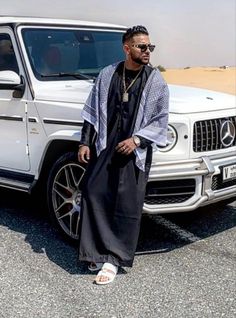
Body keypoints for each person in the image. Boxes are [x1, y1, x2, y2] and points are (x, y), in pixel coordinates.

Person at [77, 25, 169, 285]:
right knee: (94, 194)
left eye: (150, 47)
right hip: (105, 145)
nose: (147, 51)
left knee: (126, 206)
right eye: (142, 46)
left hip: (134, 152)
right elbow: (92, 111)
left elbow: (161, 119)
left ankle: (114, 259)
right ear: (127, 48)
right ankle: (95, 252)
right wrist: (85, 142)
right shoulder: (108, 74)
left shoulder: (155, 81)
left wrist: (137, 140)